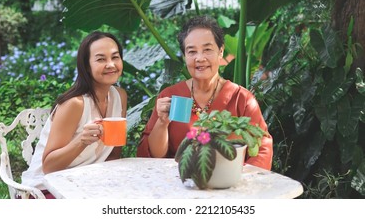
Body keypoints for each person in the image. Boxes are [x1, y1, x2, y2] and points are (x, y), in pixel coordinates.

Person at [137, 15, 273, 170]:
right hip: (179, 183)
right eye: (192, 51)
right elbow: (154, 157)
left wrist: (243, 181)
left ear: (220, 51)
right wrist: (162, 122)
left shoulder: (241, 98)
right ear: (184, 56)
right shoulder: (172, 96)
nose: (200, 58)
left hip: (228, 185)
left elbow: (262, 148)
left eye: (207, 50)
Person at [21, 31, 127, 198]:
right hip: (46, 190)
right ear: (86, 66)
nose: (111, 64)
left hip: (86, 184)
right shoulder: (74, 104)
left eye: (115, 57)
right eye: (101, 59)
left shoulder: (119, 96)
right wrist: (81, 141)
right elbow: (49, 167)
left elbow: (114, 153)